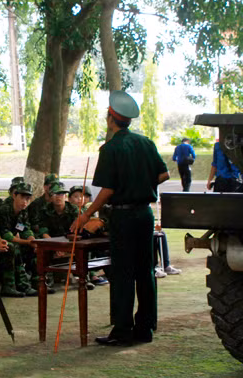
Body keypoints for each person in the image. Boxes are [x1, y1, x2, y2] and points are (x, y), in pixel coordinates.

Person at [72, 90, 169, 347]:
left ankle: (123, 329)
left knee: (123, 272)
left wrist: (86, 214)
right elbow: (164, 175)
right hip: (144, 214)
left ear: (110, 118)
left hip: (123, 217)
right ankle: (145, 327)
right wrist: (141, 184)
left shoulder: (111, 148)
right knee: (145, 271)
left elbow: (107, 191)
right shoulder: (147, 143)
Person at [0, 182, 37, 297]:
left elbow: (25, 229)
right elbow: (6, 235)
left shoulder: (23, 212)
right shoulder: (4, 210)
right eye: (22, 197)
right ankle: (12, 285)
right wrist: (27, 242)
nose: (25, 201)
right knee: (15, 249)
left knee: (35, 248)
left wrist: (32, 240)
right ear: (14, 196)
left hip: (14, 241)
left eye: (27, 199)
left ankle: (36, 282)